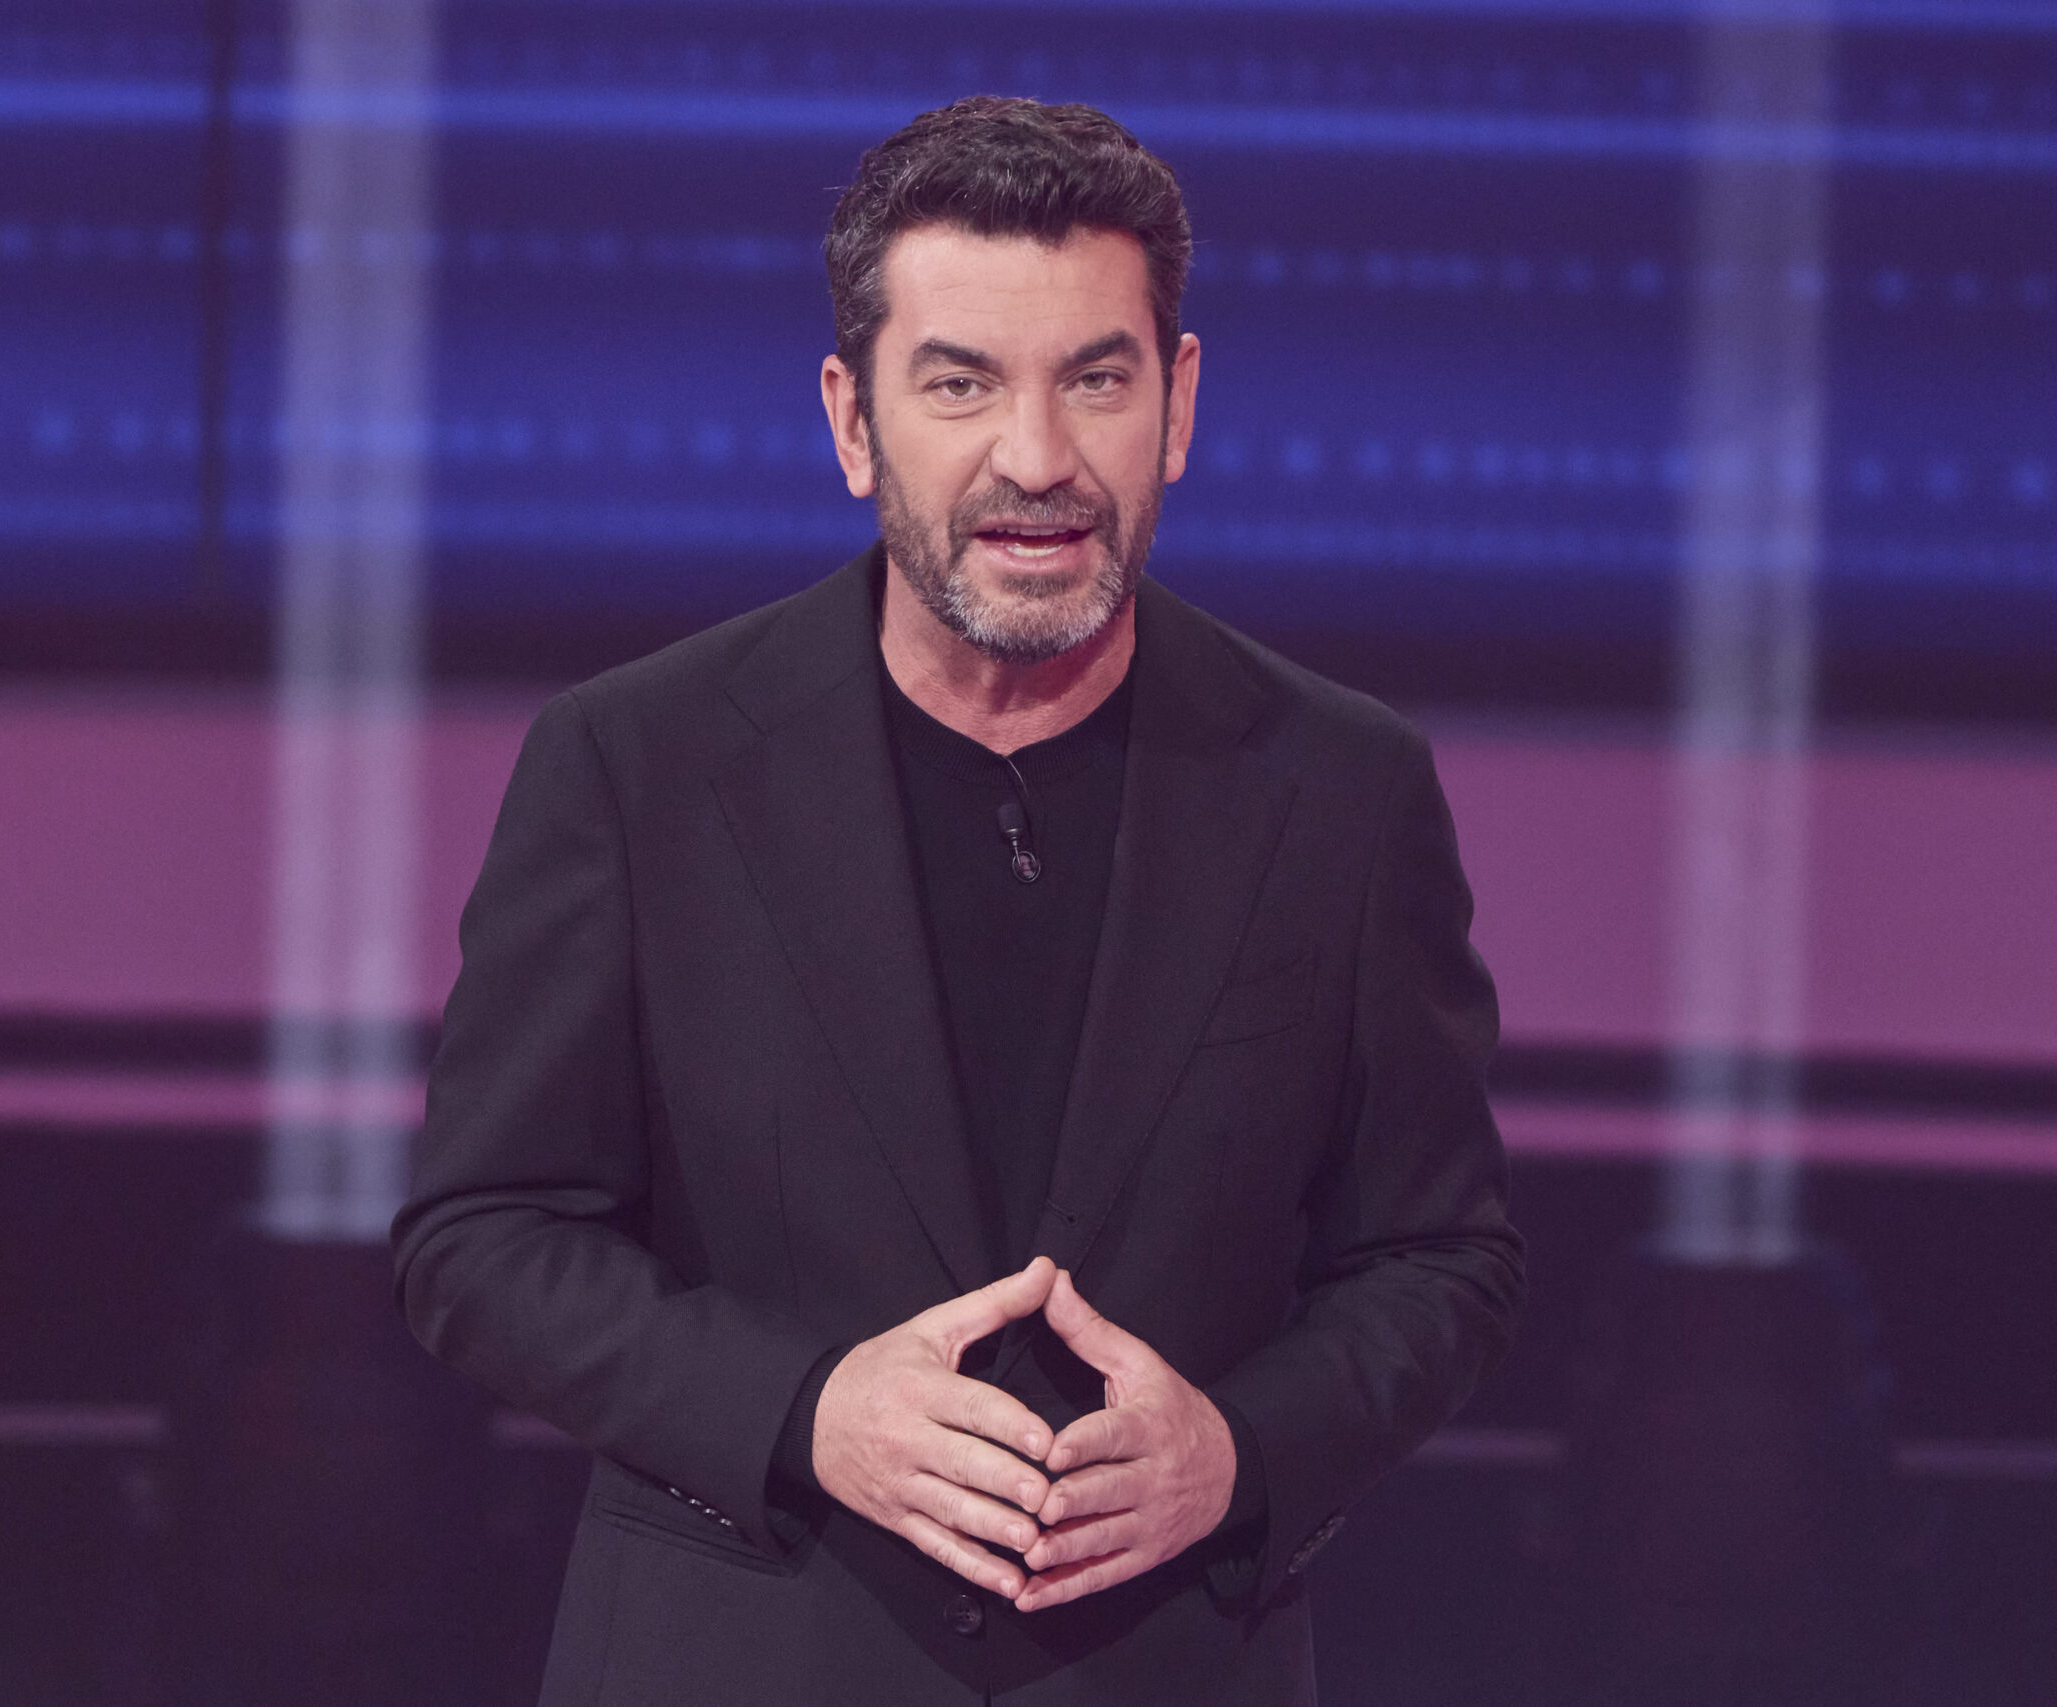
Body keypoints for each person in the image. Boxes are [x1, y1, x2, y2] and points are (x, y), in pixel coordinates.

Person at [391, 96, 1524, 1705]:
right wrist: (804, 1414)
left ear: (1181, 404)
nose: (1037, 459)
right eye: (961, 383)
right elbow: (483, 1236)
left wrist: (1238, 1453)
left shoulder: (1340, 788)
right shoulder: (638, 765)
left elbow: (1440, 1259)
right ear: (853, 421)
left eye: (1097, 380)